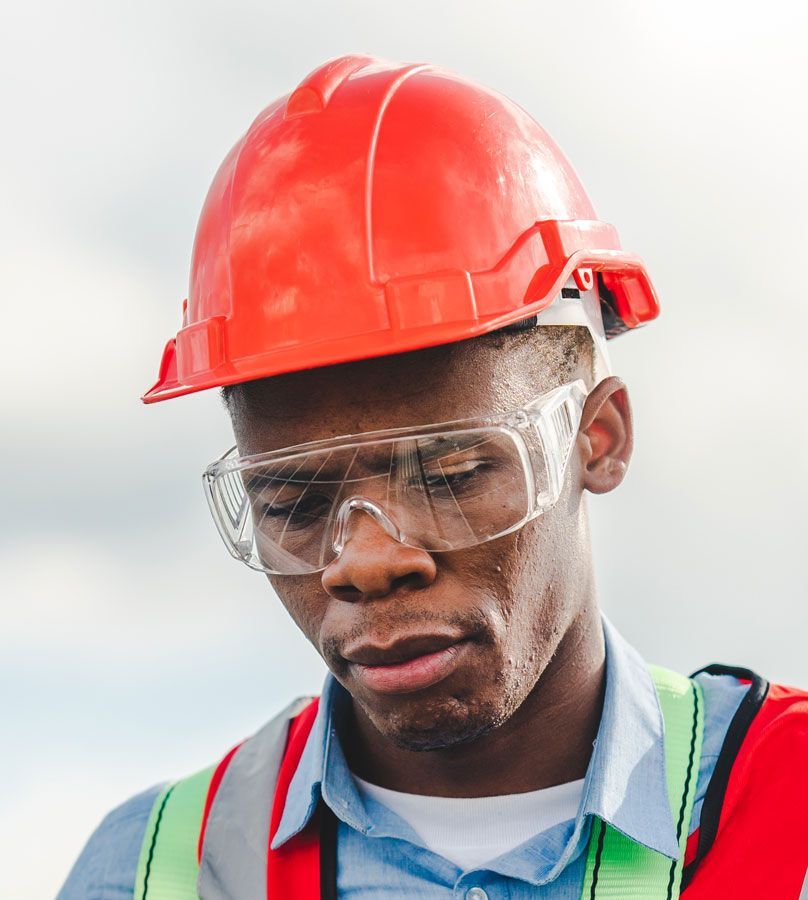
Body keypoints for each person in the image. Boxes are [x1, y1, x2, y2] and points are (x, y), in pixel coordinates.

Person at [59, 55, 808, 899]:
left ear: (596, 438)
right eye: (296, 503)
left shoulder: (792, 809)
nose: (365, 562)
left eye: (450, 473)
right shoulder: (152, 873)